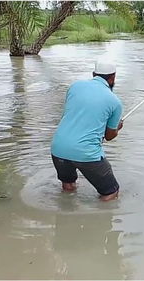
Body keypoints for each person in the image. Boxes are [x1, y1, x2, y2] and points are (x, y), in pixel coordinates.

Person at [51, 57, 123, 201]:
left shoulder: (74, 87)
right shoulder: (114, 101)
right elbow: (109, 136)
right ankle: (94, 221)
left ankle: (66, 213)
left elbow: (74, 113)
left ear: (93, 74)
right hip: (86, 153)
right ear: (113, 77)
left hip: (58, 149)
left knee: (69, 185)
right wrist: (118, 127)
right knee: (111, 192)